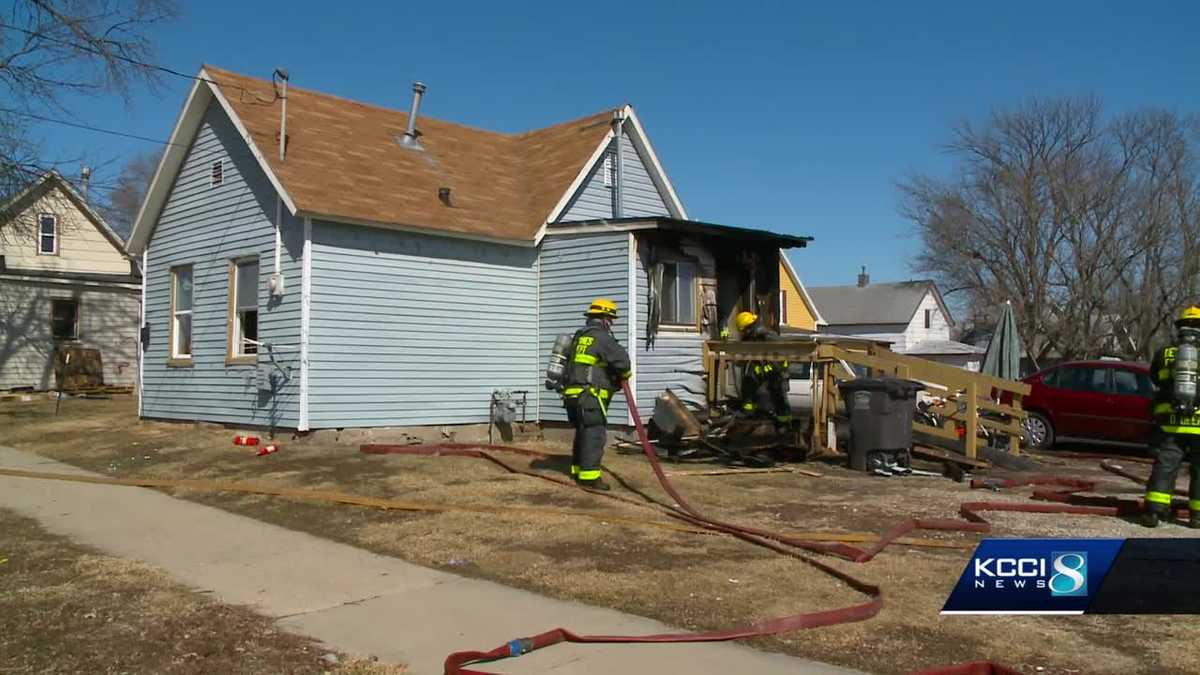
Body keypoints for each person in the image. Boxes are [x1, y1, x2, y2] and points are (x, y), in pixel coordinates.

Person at [562, 298, 632, 491]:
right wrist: (624, 376)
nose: (611, 324)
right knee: (594, 434)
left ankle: (578, 470)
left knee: (583, 432)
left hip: (572, 396)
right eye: (611, 319)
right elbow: (623, 364)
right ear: (604, 319)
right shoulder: (602, 338)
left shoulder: (578, 337)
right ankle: (589, 477)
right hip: (590, 397)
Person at [1141, 305, 1200, 528]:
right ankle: (1197, 517)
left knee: (1165, 468)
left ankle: (1154, 512)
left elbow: (1155, 379)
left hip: (1171, 425)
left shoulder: (1165, 353)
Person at [734, 311, 792, 426]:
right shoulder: (752, 337)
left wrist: (775, 367)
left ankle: (784, 422)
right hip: (764, 370)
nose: (744, 333)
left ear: (748, 327)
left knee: (778, 394)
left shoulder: (766, 335)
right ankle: (750, 412)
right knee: (749, 384)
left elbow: (783, 351)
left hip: (777, 370)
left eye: (744, 330)